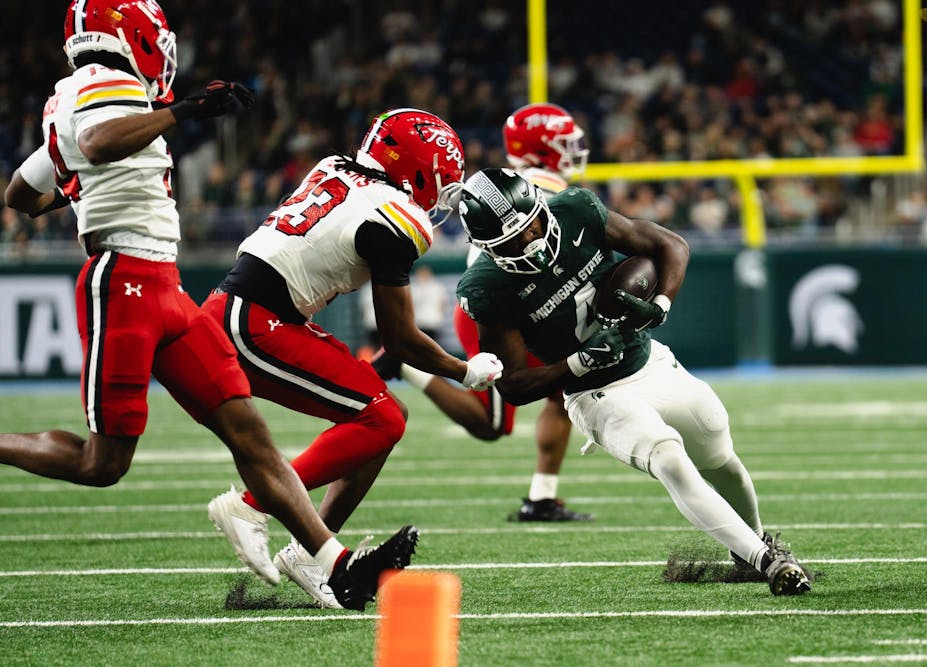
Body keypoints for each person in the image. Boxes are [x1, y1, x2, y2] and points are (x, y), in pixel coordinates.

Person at [0, 0, 411, 612]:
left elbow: (22, 194)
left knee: (251, 436)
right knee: (102, 463)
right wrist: (184, 110)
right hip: (125, 282)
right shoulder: (109, 84)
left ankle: (336, 566)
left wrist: (80, 185)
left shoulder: (76, 96)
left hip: (164, 287)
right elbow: (97, 140)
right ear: (132, 35)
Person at [454, 168, 811, 596]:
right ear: (486, 247)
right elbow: (513, 385)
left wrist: (659, 305)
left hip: (649, 361)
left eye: (531, 224)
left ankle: (752, 542)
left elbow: (671, 245)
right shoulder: (487, 287)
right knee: (668, 457)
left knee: (720, 455)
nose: (531, 239)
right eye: (513, 239)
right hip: (595, 394)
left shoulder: (576, 210)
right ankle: (767, 562)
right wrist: (579, 363)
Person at [200, 107, 503, 604]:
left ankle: (307, 554)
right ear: (415, 168)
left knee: (383, 414)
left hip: (254, 311)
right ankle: (251, 505)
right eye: (440, 178)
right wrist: (464, 371)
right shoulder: (394, 216)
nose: (441, 193)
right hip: (252, 320)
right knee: (383, 418)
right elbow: (401, 338)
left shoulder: (335, 167)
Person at [374, 103, 593, 522]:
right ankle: (410, 367)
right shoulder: (537, 189)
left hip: (537, 306)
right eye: (566, 143)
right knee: (492, 424)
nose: (575, 151)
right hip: (499, 313)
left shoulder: (513, 184)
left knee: (564, 390)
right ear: (542, 147)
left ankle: (542, 497)